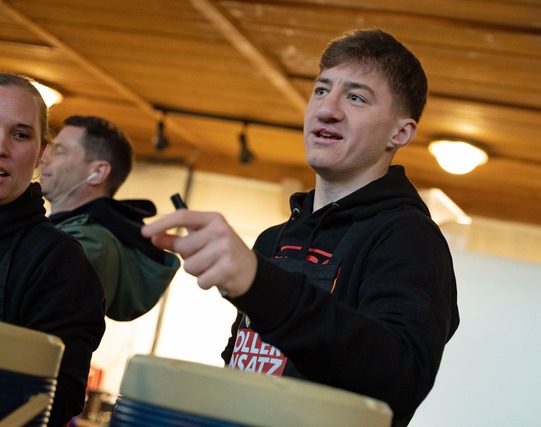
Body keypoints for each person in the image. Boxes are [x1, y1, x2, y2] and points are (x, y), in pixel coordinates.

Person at [142, 28, 460, 427]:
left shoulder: (408, 238)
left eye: (357, 97)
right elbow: (243, 362)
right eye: (322, 90)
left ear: (400, 133)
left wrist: (261, 285)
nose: (327, 109)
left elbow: (399, 379)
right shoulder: (273, 240)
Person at [0, 73, 105, 426]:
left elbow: (55, 399)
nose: (1, 146)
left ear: (41, 153)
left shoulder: (58, 261)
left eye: (20, 134)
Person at [39, 115, 180, 321]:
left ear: (97, 172)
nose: (43, 158)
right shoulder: (74, 232)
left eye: (59, 151)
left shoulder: (88, 244)